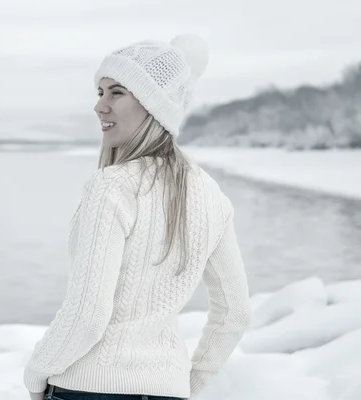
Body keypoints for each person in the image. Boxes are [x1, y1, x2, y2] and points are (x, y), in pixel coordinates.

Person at [23, 33, 252, 400]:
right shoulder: (211, 195)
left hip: (86, 390)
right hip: (167, 391)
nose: (100, 106)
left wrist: (36, 374)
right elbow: (235, 312)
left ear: (153, 104)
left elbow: (88, 313)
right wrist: (185, 385)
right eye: (100, 93)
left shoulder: (113, 186)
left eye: (117, 92)